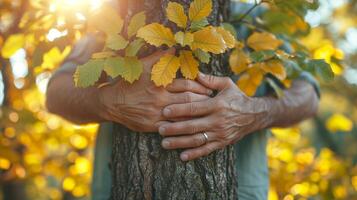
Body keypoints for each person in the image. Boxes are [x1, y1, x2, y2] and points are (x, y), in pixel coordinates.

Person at [46, 2, 320, 200]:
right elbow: (56, 91)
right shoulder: (118, 17)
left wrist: (253, 112)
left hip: (240, 192)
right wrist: (109, 101)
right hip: (118, 189)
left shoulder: (254, 19)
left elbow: (307, 96)